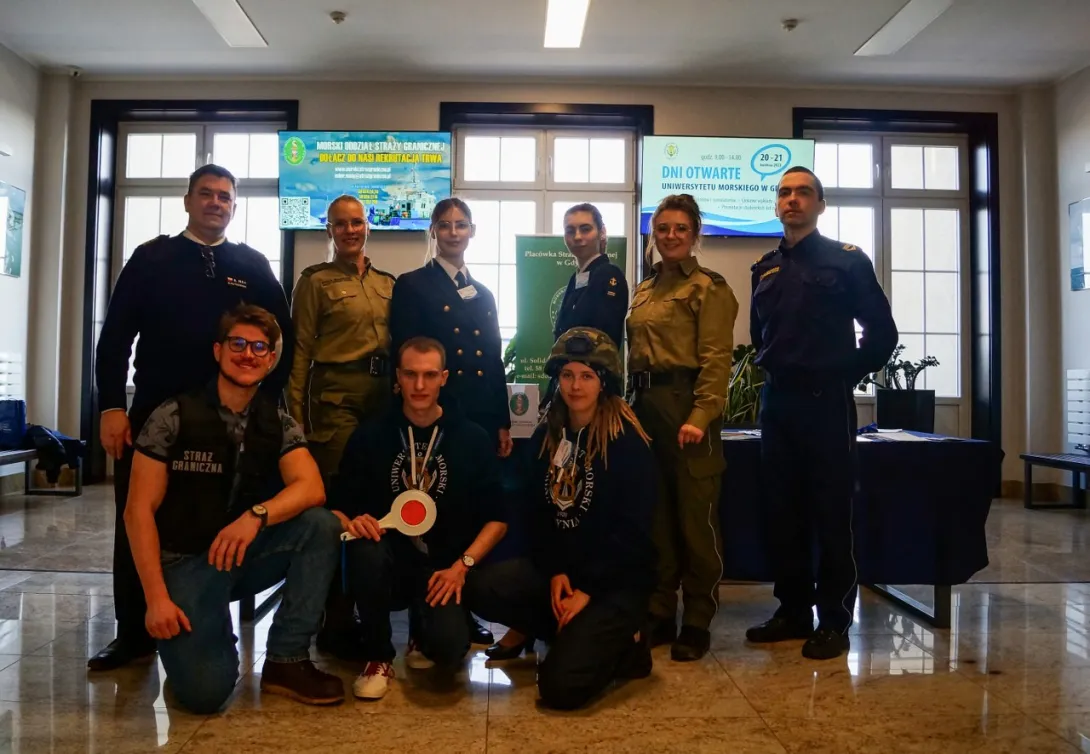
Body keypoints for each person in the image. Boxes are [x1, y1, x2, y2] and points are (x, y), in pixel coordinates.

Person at [92, 164, 293, 672]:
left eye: (225, 197)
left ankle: (207, 612)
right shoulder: (151, 258)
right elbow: (115, 338)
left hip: (228, 419)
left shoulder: (250, 263)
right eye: (206, 194)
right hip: (153, 414)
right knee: (138, 516)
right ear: (187, 201)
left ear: (234, 207)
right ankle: (133, 632)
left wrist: (266, 401)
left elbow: (282, 338)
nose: (215, 203)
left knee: (218, 515)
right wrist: (111, 406)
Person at [123, 304, 344, 713]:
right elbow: (137, 512)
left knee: (321, 525)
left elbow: (311, 488)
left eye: (259, 347)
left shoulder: (277, 421)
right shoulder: (173, 416)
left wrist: (255, 517)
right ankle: (204, 630)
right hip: (183, 564)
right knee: (205, 694)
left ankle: (286, 659)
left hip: (240, 552)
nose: (248, 354)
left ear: (271, 359)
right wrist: (155, 599)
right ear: (218, 350)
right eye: (238, 343)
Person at [746, 166, 897, 660]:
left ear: (820, 205)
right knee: (782, 513)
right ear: (776, 205)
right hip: (778, 405)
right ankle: (792, 611)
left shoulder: (847, 260)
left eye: (803, 192)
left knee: (831, 514)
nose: (792, 199)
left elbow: (882, 334)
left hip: (824, 403)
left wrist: (842, 373)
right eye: (784, 192)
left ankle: (833, 620)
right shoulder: (764, 268)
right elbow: (759, 339)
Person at [475, 328, 657, 709]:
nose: (575, 386)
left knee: (559, 688)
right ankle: (568, 633)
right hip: (566, 576)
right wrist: (556, 571)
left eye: (587, 376)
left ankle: (627, 645)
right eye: (568, 374)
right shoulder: (548, 435)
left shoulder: (627, 442)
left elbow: (633, 535)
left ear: (604, 381)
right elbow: (537, 516)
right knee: (483, 586)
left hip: (612, 585)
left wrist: (587, 589)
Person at [330, 336, 511, 700]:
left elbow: (498, 518)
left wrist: (462, 567)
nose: (419, 385)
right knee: (365, 548)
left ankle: (422, 631)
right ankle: (378, 657)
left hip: (442, 571)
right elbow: (335, 507)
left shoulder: (472, 438)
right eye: (410, 374)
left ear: (444, 377)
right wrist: (351, 523)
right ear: (397, 376)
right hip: (388, 562)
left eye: (429, 375)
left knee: (448, 650)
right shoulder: (370, 435)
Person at [389, 197, 512, 646]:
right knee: (428, 507)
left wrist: (501, 420)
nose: (454, 232)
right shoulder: (413, 284)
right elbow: (405, 356)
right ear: (434, 232)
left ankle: (461, 603)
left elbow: (493, 359)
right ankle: (424, 614)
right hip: (435, 414)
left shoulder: (483, 292)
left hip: (476, 420)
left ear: (472, 231)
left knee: (466, 512)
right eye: (445, 225)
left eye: (461, 225)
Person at [626, 193, 739, 662]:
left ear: (695, 234)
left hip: (687, 409)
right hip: (645, 409)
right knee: (657, 519)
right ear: (653, 234)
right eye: (663, 228)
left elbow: (717, 360)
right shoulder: (644, 289)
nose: (670, 236)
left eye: (680, 228)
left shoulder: (708, 288)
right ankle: (660, 612)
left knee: (695, 520)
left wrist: (701, 415)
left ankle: (696, 617)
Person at [289, 194, 395, 479]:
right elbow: (300, 351)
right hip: (335, 398)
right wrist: (295, 418)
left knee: (379, 476)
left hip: (382, 394)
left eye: (357, 222)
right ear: (329, 230)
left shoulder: (387, 283)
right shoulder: (314, 281)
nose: (350, 230)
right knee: (340, 475)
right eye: (340, 224)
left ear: (367, 227)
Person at [553, 203, 628, 348]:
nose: (577, 237)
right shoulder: (575, 279)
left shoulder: (609, 274)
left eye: (585, 229)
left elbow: (601, 336)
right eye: (570, 231)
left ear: (602, 232)